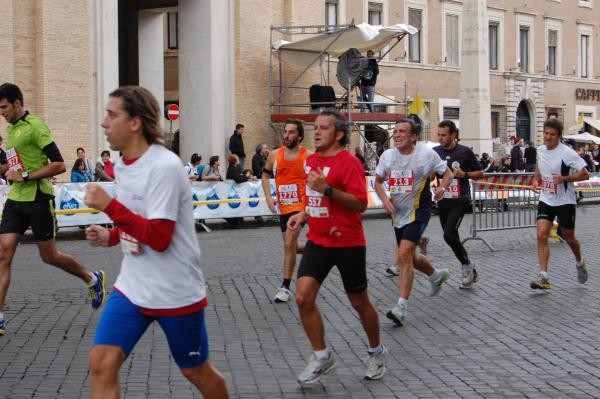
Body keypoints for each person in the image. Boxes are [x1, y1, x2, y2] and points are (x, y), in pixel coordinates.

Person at [83, 85, 229, 398]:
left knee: (194, 370)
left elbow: (160, 238)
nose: (104, 123)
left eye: (112, 114)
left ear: (135, 122)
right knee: (102, 362)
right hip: (133, 286)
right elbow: (136, 221)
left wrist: (109, 205)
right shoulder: (122, 164)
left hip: (174, 290)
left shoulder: (164, 166)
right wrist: (110, 236)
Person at [287, 110, 387, 383]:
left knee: (359, 302)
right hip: (319, 241)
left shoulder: (350, 163)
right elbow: (313, 197)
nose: (316, 132)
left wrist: (328, 189)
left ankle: (376, 351)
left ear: (339, 134)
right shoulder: (312, 160)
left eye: (323, 128)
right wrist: (303, 213)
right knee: (302, 297)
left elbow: (360, 204)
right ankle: (322, 356)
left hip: (348, 243)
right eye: (315, 128)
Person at [0, 82, 106, 336]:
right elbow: (14, 165)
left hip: (39, 198)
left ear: (17, 103)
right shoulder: (11, 129)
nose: (1, 112)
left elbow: (59, 165)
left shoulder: (36, 127)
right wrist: (9, 171)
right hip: (16, 200)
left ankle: (92, 278)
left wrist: (25, 175)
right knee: (4, 255)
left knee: (49, 256)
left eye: (4, 107)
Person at [374, 118, 453, 327]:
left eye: (402, 132)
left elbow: (448, 173)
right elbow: (378, 181)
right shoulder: (388, 156)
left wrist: (442, 188)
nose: (397, 135)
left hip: (419, 211)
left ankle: (400, 307)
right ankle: (436, 275)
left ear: (413, 137)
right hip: (397, 213)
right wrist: (383, 200)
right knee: (410, 256)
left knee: (403, 254)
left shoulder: (425, 155)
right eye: (396, 132)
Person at [531, 118, 589, 290]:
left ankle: (579, 262)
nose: (548, 137)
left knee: (569, 238)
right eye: (546, 133)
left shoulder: (567, 153)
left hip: (565, 201)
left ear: (559, 136)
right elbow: (539, 166)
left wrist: (564, 178)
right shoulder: (540, 150)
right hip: (546, 198)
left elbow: (585, 174)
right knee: (541, 235)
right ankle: (544, 276)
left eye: (552, 135)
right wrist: (535, 180)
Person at [261, 119, 311, 303]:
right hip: (284, 206)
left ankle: (285, 287)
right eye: (285, 132)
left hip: (301, 207)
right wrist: (268, 197)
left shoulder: (308, 156)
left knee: (289, 241)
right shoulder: (275, 155)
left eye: (291, 132)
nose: (286, 135)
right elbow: (265, 176)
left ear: (300, 136)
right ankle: (319, 249)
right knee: (292, 246)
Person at [433, 120, 484, 289]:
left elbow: (480, 174)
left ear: (453, 135)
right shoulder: (434, 152)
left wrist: (464, 174)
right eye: (438, 135)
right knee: (451, 236)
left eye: (443, 135)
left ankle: (466, 266)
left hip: (460, 199)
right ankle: (468, 265)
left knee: (448, 234)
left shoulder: (465, 152)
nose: (440, 138)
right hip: (443, 200)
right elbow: (429, 173)